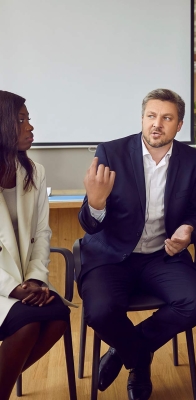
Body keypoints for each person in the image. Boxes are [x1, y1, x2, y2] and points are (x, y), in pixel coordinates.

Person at [78, 88, 196, 400]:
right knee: (99, 312)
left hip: (160, 257)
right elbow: (89, 224)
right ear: (142, 119)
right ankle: (139, 359)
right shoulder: (111, 153)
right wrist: (96, 202)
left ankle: (124, 349)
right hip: (110, 256)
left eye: (166, 118)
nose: (157, 124)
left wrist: (188, 230)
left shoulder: (193, 161)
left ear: (179, 125)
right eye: (151, 116)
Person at [0, 90, 71, 400]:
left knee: (57, 316)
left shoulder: (34, 172)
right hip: (4, 285)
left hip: (24, 281)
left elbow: (42, 234)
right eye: (20, 120)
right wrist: (12, 288)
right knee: (27, 325)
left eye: (28, 119)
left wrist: (35, 280)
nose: (30, 127)